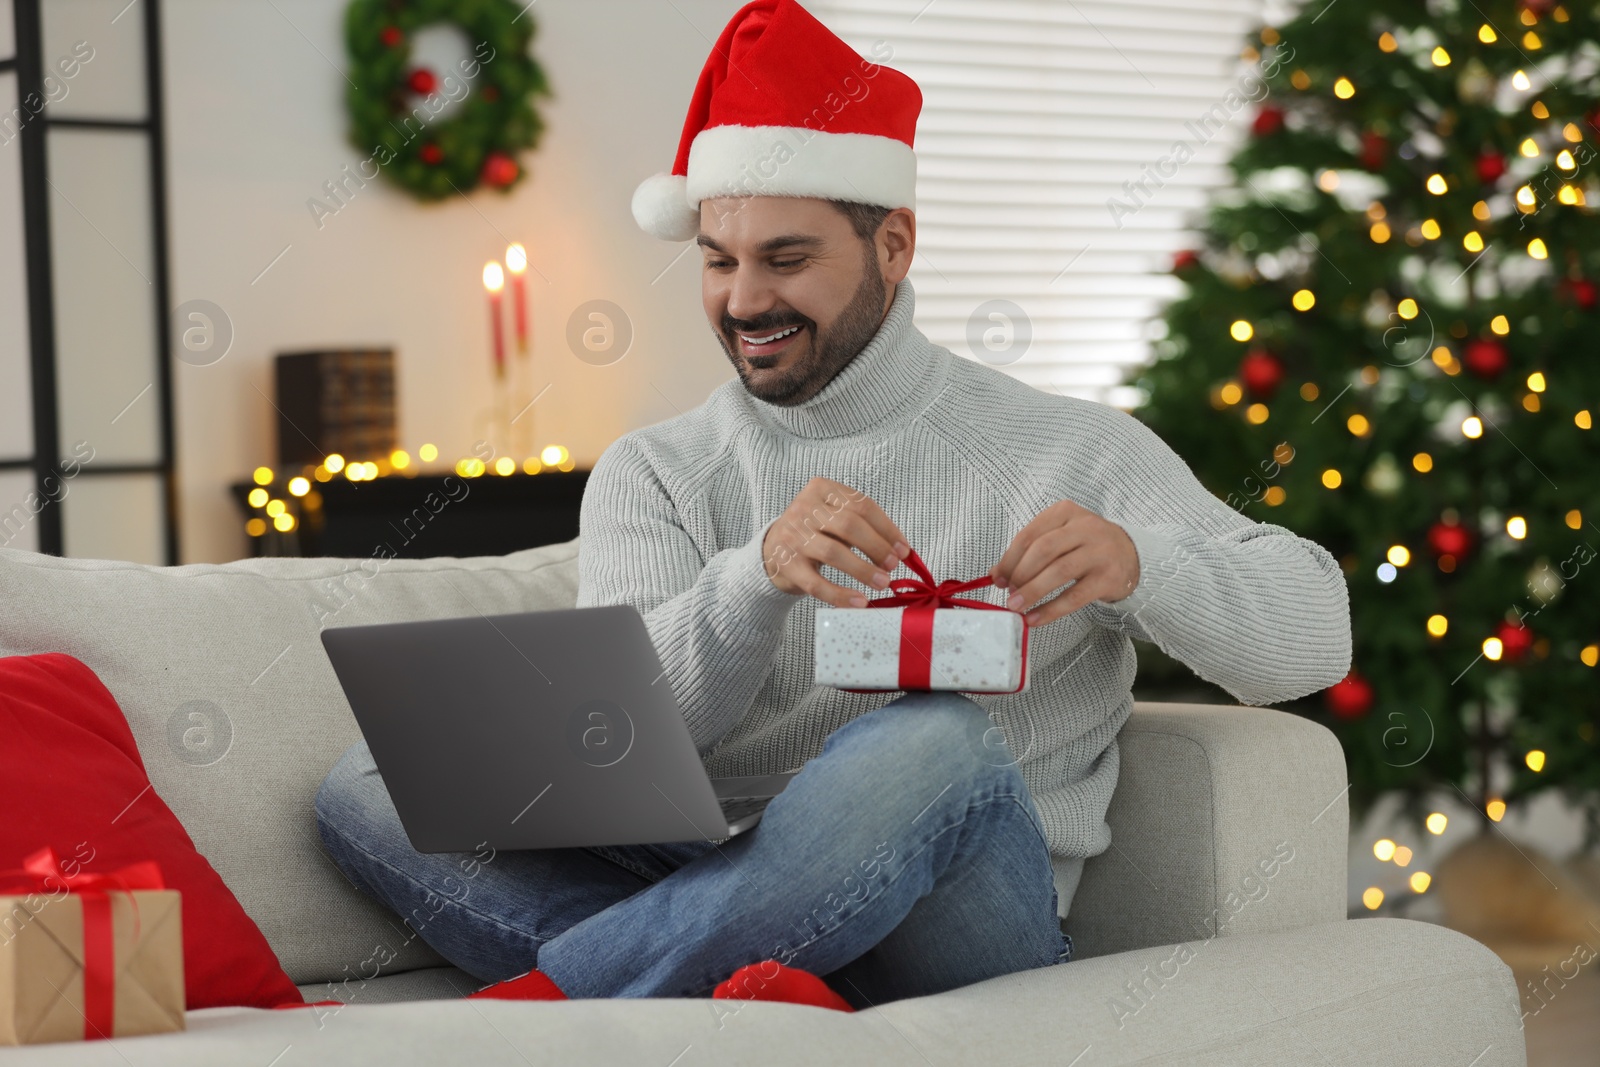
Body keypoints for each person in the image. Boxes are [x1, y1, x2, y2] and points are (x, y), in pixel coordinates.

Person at [315, 0, 1352, 1013]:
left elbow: (1313, 637)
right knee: (370, 781)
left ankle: (581, 992)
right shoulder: (658, 469)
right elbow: (616, 741)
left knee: (928, 739)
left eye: (787, 258)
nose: (741, 300)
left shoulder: (1067, 449)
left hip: (954, 916)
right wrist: (751, 577)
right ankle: (742, 981)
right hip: (711, 856)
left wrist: (1145, 563)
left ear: (892, 246)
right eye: (718, 260)